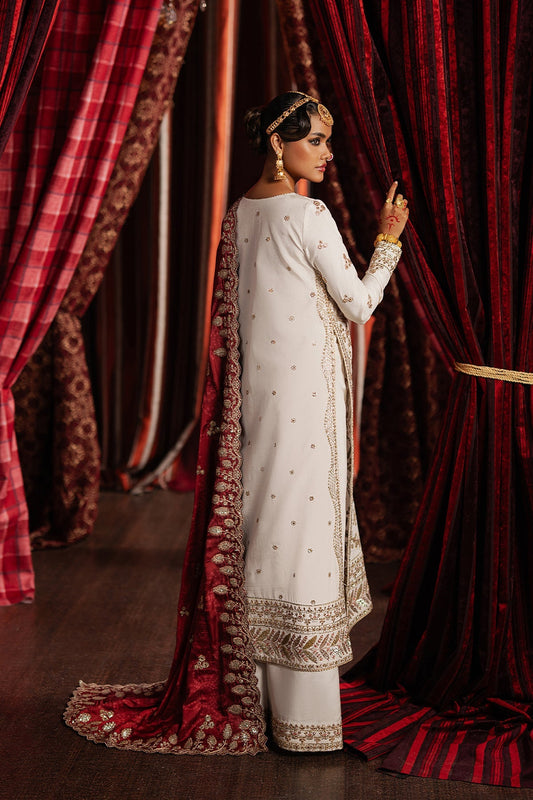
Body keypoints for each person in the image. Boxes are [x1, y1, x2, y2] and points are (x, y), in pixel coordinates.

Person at [64, 91, 408, 755]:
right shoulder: (308, 215)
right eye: (315, 141)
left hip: (259, 398)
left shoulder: (239, 214)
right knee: (300, 536)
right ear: (280, 145)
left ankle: (257, 697)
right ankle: (305, 726)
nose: (326, 154)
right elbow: (359, 304)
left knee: (269, 532)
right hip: (305, 398)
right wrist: (387, 241)